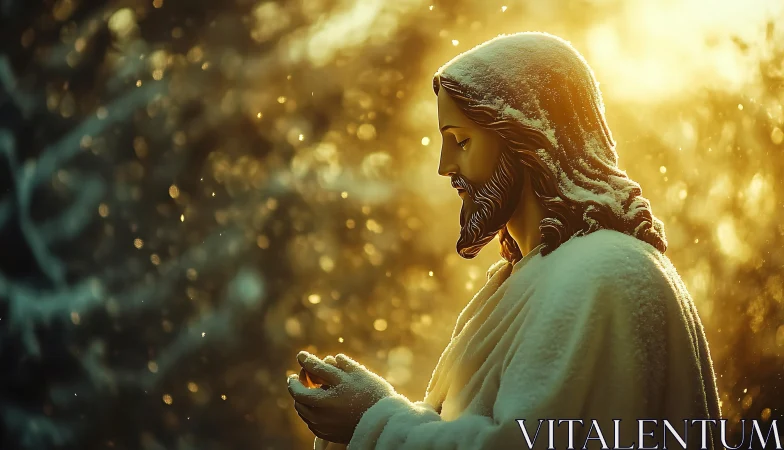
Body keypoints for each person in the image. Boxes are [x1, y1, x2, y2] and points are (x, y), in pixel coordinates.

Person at [286, 31, 721, 450]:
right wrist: (366, 413)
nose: (444, 166)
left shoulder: (600, 274)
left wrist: (376, 421)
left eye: (460, 141)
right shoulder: (522, 281)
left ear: (523, 139)